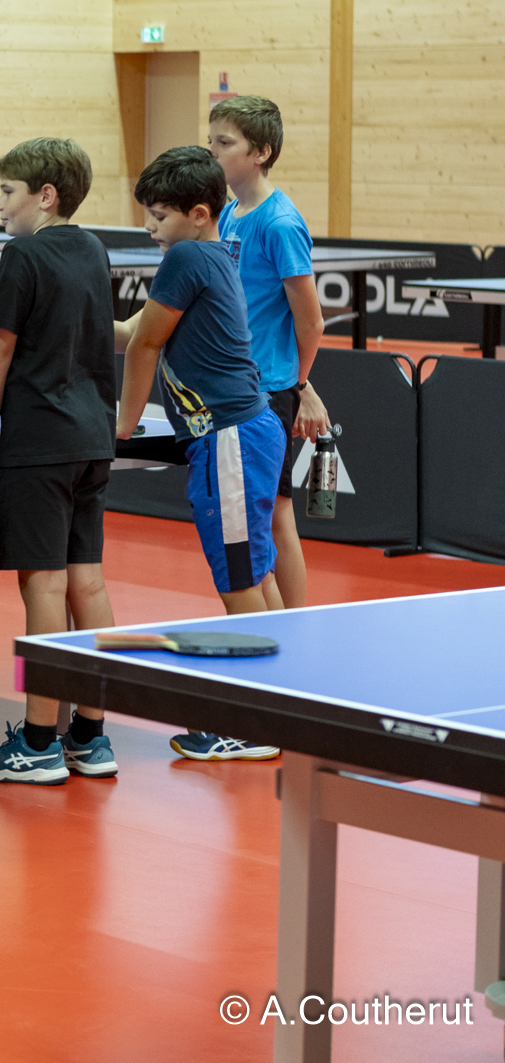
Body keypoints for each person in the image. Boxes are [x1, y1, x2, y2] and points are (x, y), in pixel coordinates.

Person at [117, 148, 286, 762]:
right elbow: (133, 330)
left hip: (231, 438)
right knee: (255, 574)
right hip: (247, 432)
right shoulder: (210, 253)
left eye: (158, 216)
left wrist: (124, 425)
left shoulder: (186, 256)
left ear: (196, 213)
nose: (149, 227)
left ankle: (255, 724)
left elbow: (143, 347)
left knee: (240, 581)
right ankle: (279, 706)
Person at [0, 139, 120, 786]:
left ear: (44, 195)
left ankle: (36, 740)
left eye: (8, 191)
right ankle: (90, 734)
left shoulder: (22, 253)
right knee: (89, 584)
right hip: (92, 436)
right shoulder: (93, 248)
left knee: (43, 587)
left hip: (41, 440)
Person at [208, 96, 330, 617]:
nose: (212, 152)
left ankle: (294, 628)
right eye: (211, 141)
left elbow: (311, 320)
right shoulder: (231, 211)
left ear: (261, 152)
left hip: (267, 393)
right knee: (262, 517)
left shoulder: (279, 223)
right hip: (239, 385)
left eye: (224, 143)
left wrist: (297, 385)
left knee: (276, 517)